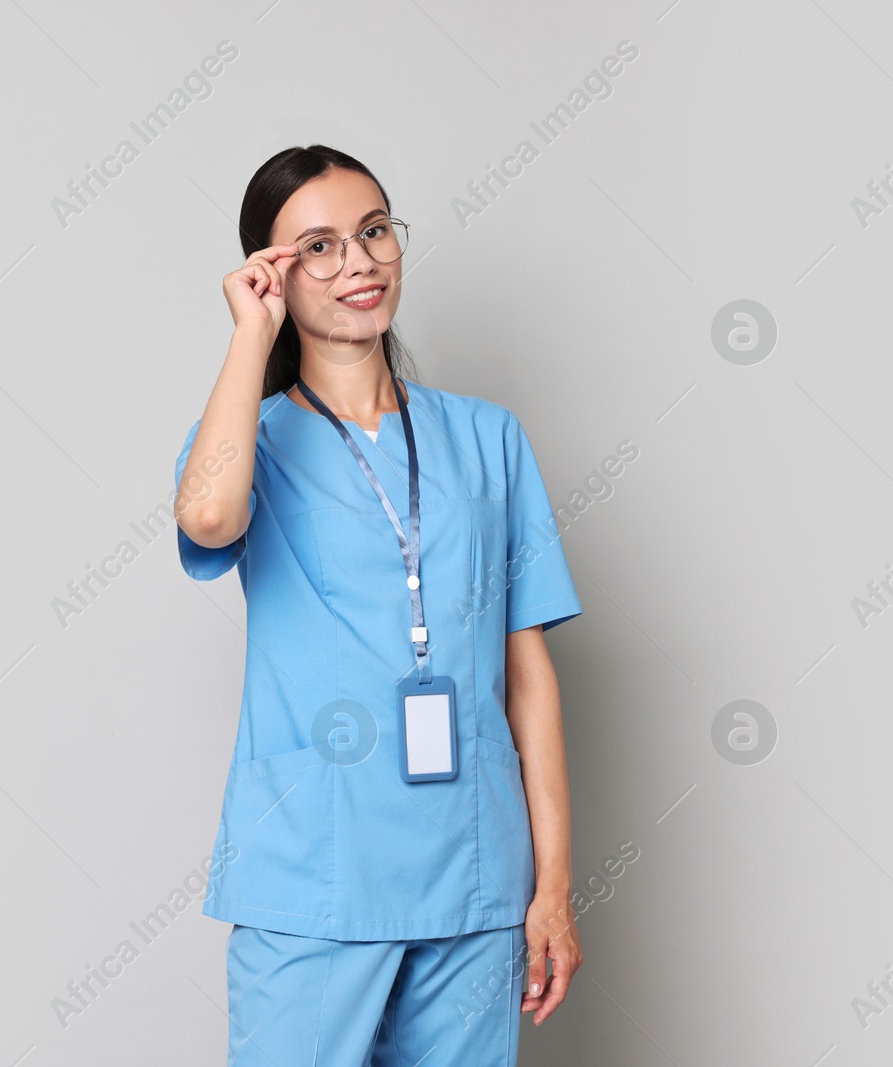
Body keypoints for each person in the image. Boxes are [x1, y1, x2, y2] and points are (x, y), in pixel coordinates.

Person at [173, 145, 585, 1067]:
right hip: (315, 870)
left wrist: (551, 885)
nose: (358, 262)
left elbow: (529, 673)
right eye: (317, 246)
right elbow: (207, 514)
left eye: (373, 231)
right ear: (270, 273)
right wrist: (250, 335)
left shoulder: (489, 439)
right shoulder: (252, 438)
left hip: (472, 873)